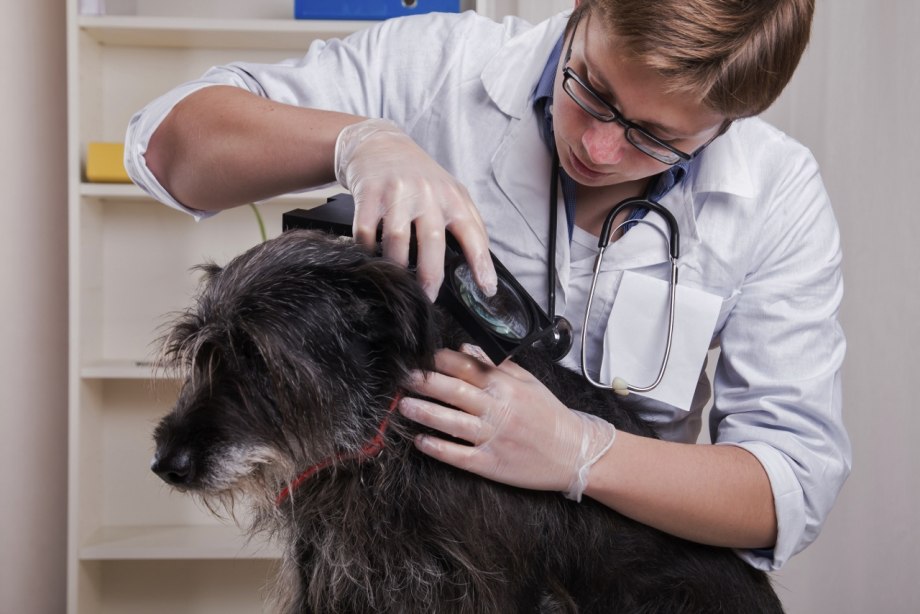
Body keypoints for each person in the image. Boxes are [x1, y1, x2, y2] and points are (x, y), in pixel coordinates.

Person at [125, 0, 850, 572]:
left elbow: (787, 490)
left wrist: (582, 453)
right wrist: (358, 141)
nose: (598, 148)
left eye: (656, 137)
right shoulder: (437, 68)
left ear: (728, 124)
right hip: (398, 560)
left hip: (620, 578)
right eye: (591, 89)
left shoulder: (777, 196)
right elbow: (167, 148)